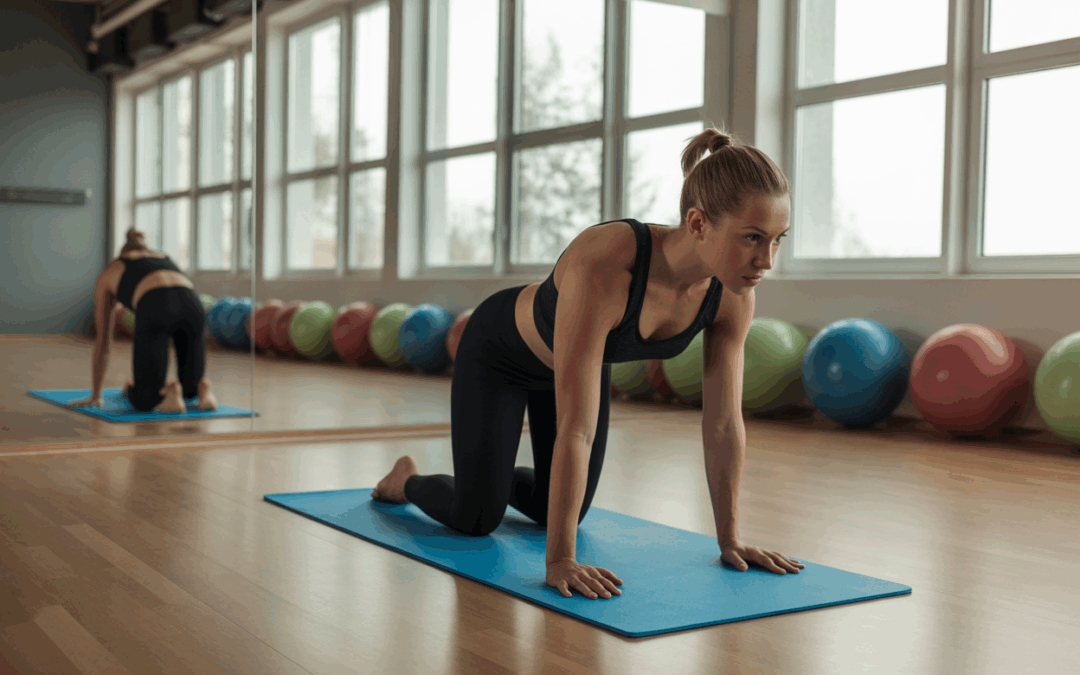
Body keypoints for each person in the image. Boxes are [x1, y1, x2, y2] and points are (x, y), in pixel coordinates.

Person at [371, 127, 804, 600]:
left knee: (558, 511)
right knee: (477, 519)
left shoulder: (732, 296)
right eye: (752, 238)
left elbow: (723, 424)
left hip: (579, 360)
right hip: (500, 355)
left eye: (778, 240)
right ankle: (406, 481)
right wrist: (560, 561)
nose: (766, 260)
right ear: (699, 224)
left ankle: (489, 476)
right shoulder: (608, 262)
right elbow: (575, 428)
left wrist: (730, 540)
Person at [69, 228, 217, 414]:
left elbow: (103, 341)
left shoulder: (110, 271)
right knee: (191, 388)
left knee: (144, 400)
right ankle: (203, 389)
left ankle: (168, 393)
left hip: (156, 304)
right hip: (193, 304)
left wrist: (96, 395)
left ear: (122, 253)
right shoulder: (163, 257)